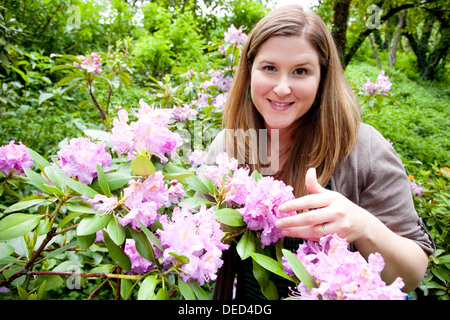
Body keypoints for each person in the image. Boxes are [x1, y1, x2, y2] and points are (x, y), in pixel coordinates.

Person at [203, 4, 435, 299]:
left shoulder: (364, 150)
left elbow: (412, 275)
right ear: (249, 70)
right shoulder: (229, 146)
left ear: (322, 79)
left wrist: (362, 226)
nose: (282, 88)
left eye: (301, 71)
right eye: (269, 68)